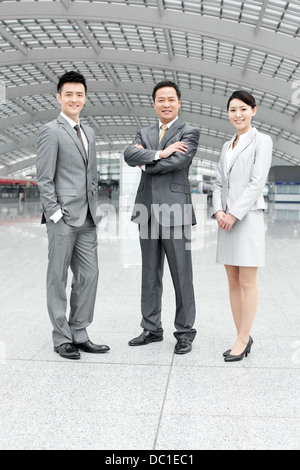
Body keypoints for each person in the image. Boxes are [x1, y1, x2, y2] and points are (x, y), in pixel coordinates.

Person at [36, 71, 109, 360]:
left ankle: (79, 331)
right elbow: (44, 178)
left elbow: (90, 174)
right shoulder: (50, 131)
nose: (74, 99)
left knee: (89, 276)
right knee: (58, 277)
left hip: (88, 218)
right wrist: (55, 214)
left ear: (85, 98)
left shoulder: (88, 132)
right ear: (59, 97)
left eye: (79, 94)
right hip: (63, 219)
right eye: (69, 94)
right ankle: (62, 337)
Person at [124, 81, 200, 355]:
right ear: (154, 103)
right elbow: (128, 154)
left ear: (179, 102)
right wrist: (160, 153)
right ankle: (151, 328)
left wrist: (146, 163)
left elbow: (178, 162)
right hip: (146, 211)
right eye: (160, 99)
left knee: (181, 273)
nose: (166, 104)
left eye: (171, 99)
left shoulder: (189, 131)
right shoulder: (143, 131)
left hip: (176, 211)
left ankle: (184, 331)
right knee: (149, 273)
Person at [211, 90, 273, 362]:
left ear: (254, 110)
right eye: (233, 110)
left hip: (247, 218)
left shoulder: (263, 141)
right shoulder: (227, 146)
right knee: (232, 280)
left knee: (248, 280)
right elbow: (217, 183)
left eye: (243, 109)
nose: (238, 114)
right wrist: (218, 211)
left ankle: (242, 338)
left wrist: (233, 214)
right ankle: (242, 335)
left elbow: (256, 183)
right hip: (225, 220)